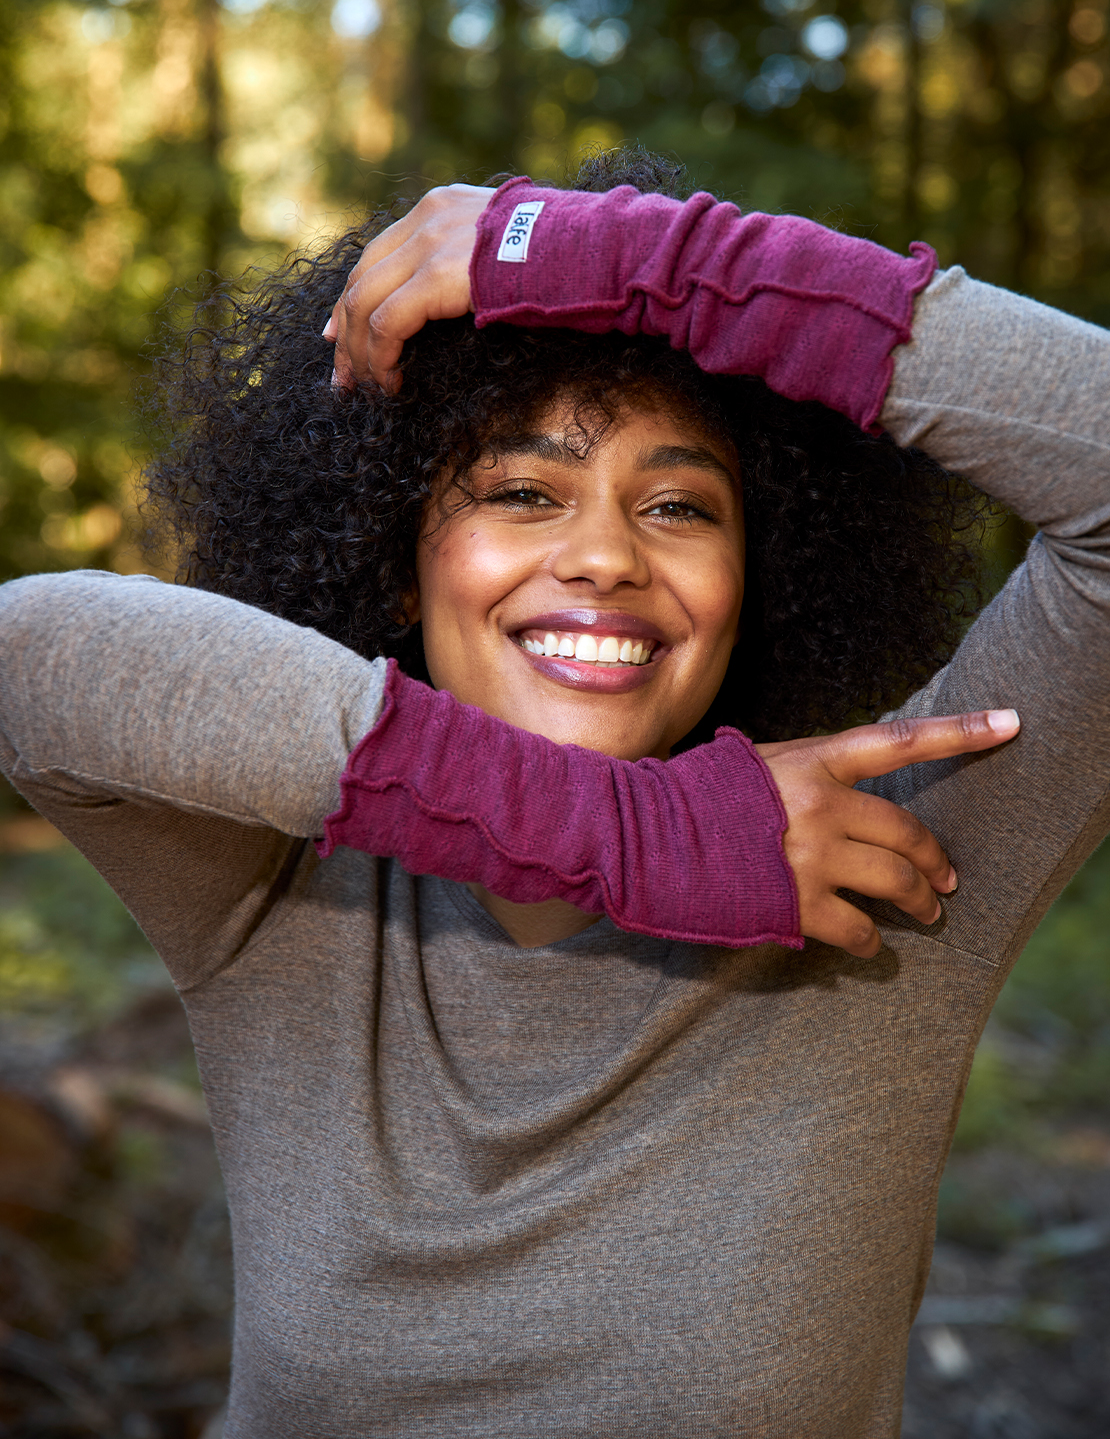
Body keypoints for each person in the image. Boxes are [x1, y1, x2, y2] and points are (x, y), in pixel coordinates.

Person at [0, 149, 1106, 1438]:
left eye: (680, 505)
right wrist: (637, 834)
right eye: (522, 491)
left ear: (763, 581)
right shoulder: (282, 879)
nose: (602, 555)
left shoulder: (890, 861)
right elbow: (31, 655)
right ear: (396, 567)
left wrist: (634, 262)